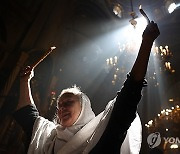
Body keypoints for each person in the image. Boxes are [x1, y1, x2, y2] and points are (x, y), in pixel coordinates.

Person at [13, 21, 160, 154]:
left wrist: (146, 42)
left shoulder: (100, 135)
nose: (61, 108)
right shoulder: (47, 137)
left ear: (84, 108)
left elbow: (129, 95)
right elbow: (27, 114)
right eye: (59, 105)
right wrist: (24, 80)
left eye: (68, 102)